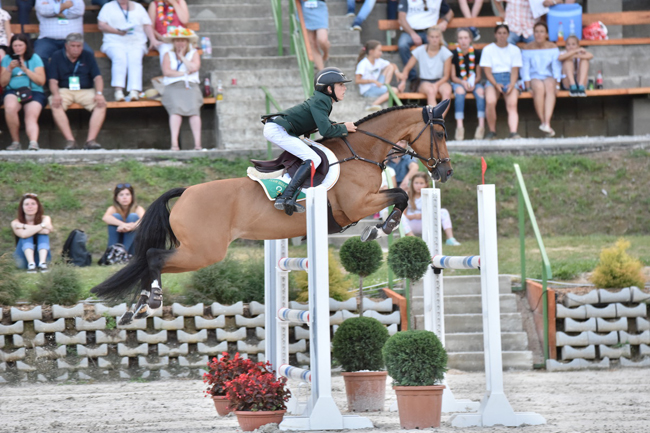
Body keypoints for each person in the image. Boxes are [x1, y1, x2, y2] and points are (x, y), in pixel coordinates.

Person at [262, 67, 356, 215]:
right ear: (329, 88)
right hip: (277, 129)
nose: (345, 88)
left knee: (311, 156)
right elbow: (326, 131)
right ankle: (286, 197)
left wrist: (341, 126)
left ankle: (289, 191)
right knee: (313, 158)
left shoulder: (322, 100)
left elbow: (325, 124)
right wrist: (344, 127)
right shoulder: (321, 101)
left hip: (279, 128)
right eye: (340, 85)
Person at [48, 33, 106, 150]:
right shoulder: (57, 56)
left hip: (85, 90)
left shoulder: (88, 55)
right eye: (73, 46)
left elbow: (98, 77)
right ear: (66, 46)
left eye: (79, 46)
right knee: (55, 103)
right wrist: (56, 94)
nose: (76, 49)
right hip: (65, 90)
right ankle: (70, 141)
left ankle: (91, 141)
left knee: (101, 104)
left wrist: (99, 94)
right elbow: (53, 80)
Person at [98, 0, 160, 102]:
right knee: (119, 58)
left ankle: (134, 91)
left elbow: (147, 24)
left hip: (136, 42)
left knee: (135, 59)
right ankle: (118, 91)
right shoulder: (108, 7)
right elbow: (101, 25)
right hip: (114, 42)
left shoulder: (138, 7)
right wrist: (117, 31)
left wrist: (153, 40)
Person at [1, 34, 47, 151]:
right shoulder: (7, 59)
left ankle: (33, 142)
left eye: (20, 45)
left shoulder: (35, 58)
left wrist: (25, 69)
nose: (17, 48)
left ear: (26, 46)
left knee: (31, 114)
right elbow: (2, 83)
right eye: (15, 45)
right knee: (10, 108)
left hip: (33, 90)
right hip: (13, 91)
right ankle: (15, 142)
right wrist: (9, 69)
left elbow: (41, 81)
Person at [160, 27, 202, 151]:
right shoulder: (168, 54)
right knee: (175, 110)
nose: (180, 43)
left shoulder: (193, 53)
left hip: (190, 85)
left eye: (183, 40)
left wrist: (182, 57)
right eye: (177, 40)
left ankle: (198, 144)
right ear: (173, 42)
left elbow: (194, 67)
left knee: (194, 111)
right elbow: (167, 71)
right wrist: (184, 73)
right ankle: (174, 144)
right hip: (173, 86)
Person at [479, 23, 522, 140]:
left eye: (504, 33)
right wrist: (495, 84)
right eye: (499, 33)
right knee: (490, 101)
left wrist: (512, 84)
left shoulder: (515, 50)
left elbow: (515, 70)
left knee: (512, 104)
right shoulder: (488, 49)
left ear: (508, 34)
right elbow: (487, 71)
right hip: (493, 79)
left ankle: (513, 132)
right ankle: (492, 131)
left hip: (510, 78)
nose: (502, 36)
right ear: (495, 34)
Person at [397, 0, 454, 84]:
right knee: (402, 45)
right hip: (410, 31)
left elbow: (450, 13)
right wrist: (413, 34)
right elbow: (401, 18)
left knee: (444, 47)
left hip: (430, 31)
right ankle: (413, 79)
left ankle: (443, 78)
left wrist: (445, 22)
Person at [401, 26, 453, 116]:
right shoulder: (420, 50)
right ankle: (436, 119)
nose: (434, 39)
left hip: (440, 81)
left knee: (447, 92)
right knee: (431, 91)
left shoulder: (445, 52)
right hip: (424, 81)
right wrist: (403, 81)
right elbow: (407, 68)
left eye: (437, 37)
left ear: (440, 37)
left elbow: (446, 76)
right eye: (432, 37)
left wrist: (436, 85)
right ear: (427, 38)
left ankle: (438, 119)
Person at [522, 22, 561, 137]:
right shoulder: (527, 48)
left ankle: (547, 123)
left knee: (549, 86)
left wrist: (557, 84)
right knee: (539, 88)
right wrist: (527, 86)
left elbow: (556, 68)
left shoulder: (553, 48)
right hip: (534, 76)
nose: (539, 34)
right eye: (536, 32)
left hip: (548, 76)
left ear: (546, 34)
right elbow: (525, 70)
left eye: (542, 31)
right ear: (533, 33)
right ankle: (543, 121)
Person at [404, 172, 460, 244]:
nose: (418, 186)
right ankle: (413, 240)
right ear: (412, 184)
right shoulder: (406, 195)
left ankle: (450, 238)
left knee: (443, 212)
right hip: (411, 223)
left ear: (426, 184)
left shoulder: (430, 194)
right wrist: (414, 216)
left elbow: (433, 211)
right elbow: (404, 214)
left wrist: (423, 215)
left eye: (421, 183)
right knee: (399, 216)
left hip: (426, 223)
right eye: (416, 183)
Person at [450, 27, 485, 140]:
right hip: (460, 81)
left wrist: (472, 83)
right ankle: (460, 127)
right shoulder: (454, 54)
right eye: (460, 38)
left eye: (465, 38)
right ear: (457, 40)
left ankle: (481, 125)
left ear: (470, 39)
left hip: (473, 81)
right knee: (459, 91)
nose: (463, 41)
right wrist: (463, 82)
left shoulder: (477, 53)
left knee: (480, 91)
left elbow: (479, 76)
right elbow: (453, 76)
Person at [34, 0, 94, 65]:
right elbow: (43, 11)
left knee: (88, 53)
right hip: (47, 40)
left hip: (73, 40)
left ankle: (78, 75)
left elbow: (79, 10)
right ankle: (47, 75)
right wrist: (65, 6)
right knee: (39, 55)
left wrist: (55, 11)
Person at [355, 40, 406, 112]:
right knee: (394, 90)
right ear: (371, 51)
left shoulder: (378, 61)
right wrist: (372, 81)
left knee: (390, 66)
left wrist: (397, 72)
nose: (381, 53)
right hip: (368, 90)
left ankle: (386, 86)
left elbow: (392, 65)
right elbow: (357, 80)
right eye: (379, 51)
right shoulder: (363, 63)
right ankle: (373, 104)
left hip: (376, 85)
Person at [11, 193, 53, 272]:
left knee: (43, 235)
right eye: (26, 204)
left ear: (38, 206)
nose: (30, 207)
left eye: (33, 204)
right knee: (27, 235)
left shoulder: (45, 218)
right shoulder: (15, 222)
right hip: (22, 260)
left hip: (40, 257)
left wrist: (23, 226)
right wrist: (42, 226)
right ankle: (31, 265)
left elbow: (48, 230)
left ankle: (42, 263)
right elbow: (23, 235)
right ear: (22, 207)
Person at [102, 183, 146, 256]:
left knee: (133, 216)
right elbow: (106, 218)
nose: (124, 197)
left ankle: (122, 253)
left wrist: (132, 226)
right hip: (117, 243)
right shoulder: (113, 209)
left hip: (132, 248)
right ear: (116, 198)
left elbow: (144, 220)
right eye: (121, 195)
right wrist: (123, 224)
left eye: (127, 194)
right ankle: (113, 253)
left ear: (132, 197)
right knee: (115, 216)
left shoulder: (138, 209)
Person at [148, 0, 189, 65]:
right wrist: (160, 37)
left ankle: (181, 72)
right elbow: (150, 27)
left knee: (187, 49)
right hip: (162, 40)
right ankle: (169, 72)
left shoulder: (180, 2)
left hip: (179, 39)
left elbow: (185, 21)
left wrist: (174, 3)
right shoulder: (154, 4)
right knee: (166, 49)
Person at [301, 0, 330, 71]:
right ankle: (322, 71)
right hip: (305, 8)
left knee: (322, 40)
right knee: (312, 43)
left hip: (319, 6)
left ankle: (326, 53)